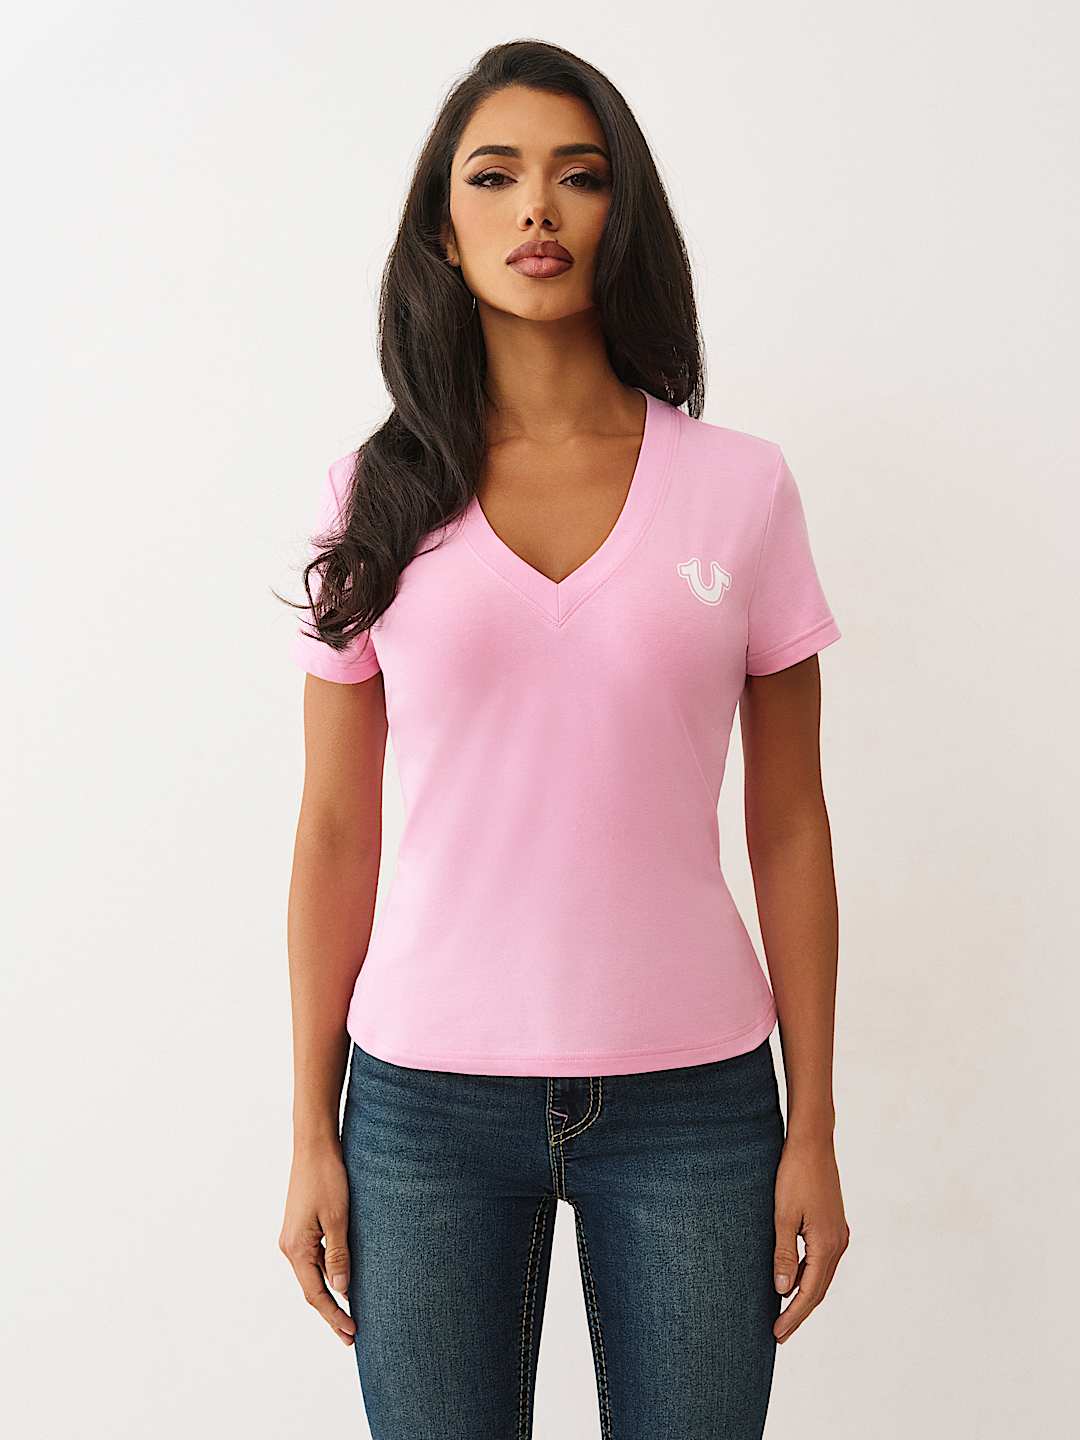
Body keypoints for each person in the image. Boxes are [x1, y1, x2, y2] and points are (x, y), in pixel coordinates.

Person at [278, 38, 850, 1440]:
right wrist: (308, 1130)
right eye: (495, 176)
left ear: (620, 214)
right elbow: (336, 832)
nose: (537, 207)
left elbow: (790, 824)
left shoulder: (741, 490)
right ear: (443, 226)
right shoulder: (374, 495)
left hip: (698, 1104)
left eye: (578, 176)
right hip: (420, 1110)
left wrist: (816, 1126)